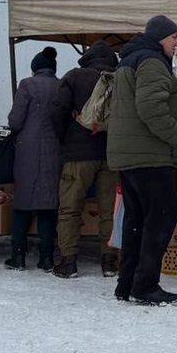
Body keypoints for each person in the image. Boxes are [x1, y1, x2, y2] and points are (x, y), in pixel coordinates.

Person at [107, 15, 177, 306]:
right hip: (149, 154)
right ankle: (145, 285)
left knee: (136, 220)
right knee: (161, 218)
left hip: (130, 154)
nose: (176, 43)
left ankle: (126, 283)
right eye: (173, 37)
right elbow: (151, 107)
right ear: (160, 37)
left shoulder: (129, 59)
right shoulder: (152, 61)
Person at [52, 41, 120, 279]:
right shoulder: (119, 78)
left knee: (70, 208)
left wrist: (66, 138)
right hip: (111, 154)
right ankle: (109, 261)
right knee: (109, 210)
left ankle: (68, 261)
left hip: (78, 154)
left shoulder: (74, 77)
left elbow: (58, 111)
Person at [4, 46, 62, 272]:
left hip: (27, 149)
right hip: (53, 149)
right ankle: (46, 258)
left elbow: (15, 120)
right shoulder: (60, 86)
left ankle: (18, 256)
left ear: (35, 68)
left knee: (23, 204)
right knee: (48, 206)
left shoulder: (27, 85)